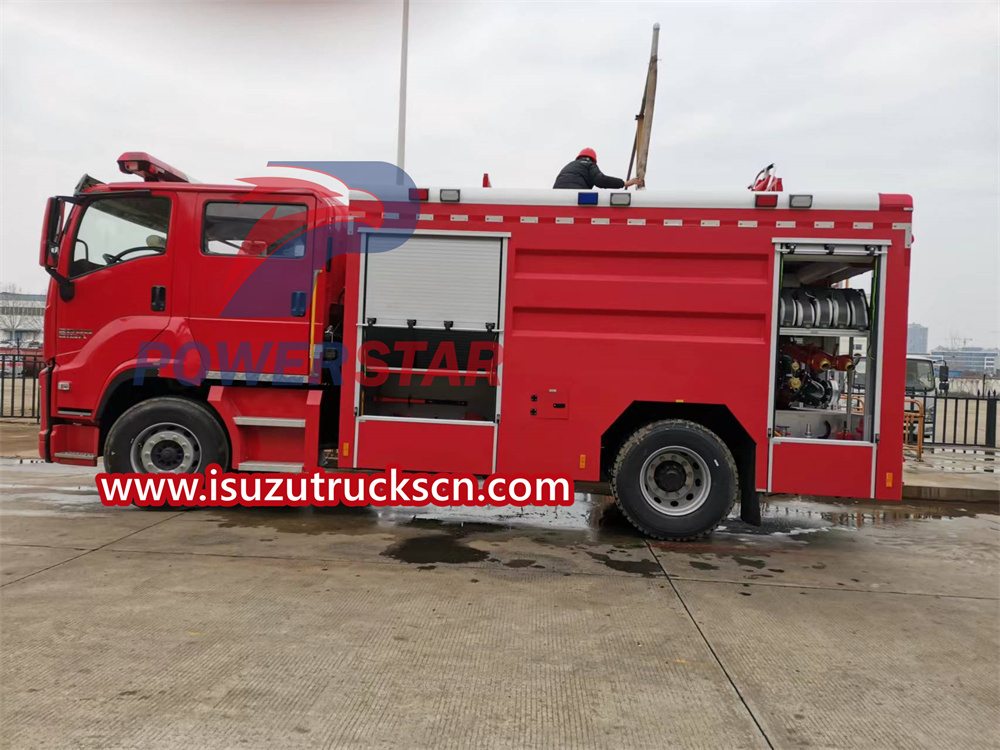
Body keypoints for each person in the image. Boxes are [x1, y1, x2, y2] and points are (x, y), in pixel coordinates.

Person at [553, 148, 643, 190]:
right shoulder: (590, 165)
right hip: (576, 195)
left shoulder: (570, 165)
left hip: (556, 197)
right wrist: (624, 183)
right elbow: (600, 180)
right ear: (594, 160)